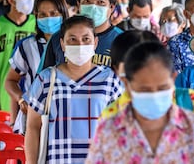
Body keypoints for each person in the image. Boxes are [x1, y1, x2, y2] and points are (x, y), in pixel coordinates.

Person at [85, 42, 194, 163]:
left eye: (162, 88)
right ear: (127, 85)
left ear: (173, 78)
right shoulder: (109, 131)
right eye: (144, 89)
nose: (154, 96)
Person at [25, 16, 122, 163]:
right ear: (62, 44)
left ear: (95, 43)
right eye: (72, 39)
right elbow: (33, 127)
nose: (80, 45)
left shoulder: (111, 80)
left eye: (86, 39)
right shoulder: (46, 79)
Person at [5, 0, 69, 134]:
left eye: (54, 14)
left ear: (63, 14)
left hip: (65, 116)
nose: (48, 18)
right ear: (36, 17)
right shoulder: (26, 46)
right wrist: (21, 99)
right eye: (43, 15)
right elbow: (10, 81)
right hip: (33, 117)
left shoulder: (74, 44)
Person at [40, 0, 123, 70]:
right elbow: (43, 79)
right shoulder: (58, 38)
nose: (93, 7)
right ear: (79, 5)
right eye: (87, 1)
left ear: (112, 7)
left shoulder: (122, 41)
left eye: (100, 2)